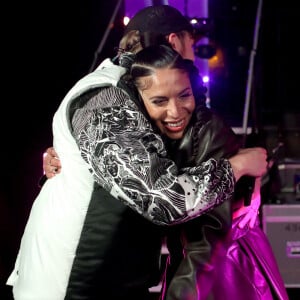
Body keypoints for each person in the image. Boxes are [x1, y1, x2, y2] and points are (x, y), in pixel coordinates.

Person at [8, 5, 271, 300]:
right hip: (73, 283)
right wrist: (238, 167)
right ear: (174, 42)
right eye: (192, 46)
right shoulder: (105, 96)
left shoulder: (126, 92)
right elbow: (162, 198)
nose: (195, 59)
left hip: (99, 278)